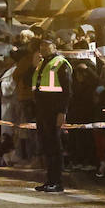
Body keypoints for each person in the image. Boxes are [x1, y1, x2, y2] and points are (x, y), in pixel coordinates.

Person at [32, 37, 72, 193]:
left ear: (54, 46)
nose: (43, 48)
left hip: (54, 110)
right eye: (42, 45)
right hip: (43, 110)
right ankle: (50, 180)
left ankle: (57, 181)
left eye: (47, 45)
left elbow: (67, 90)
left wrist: (62, 112)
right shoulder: (43, 63)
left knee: (55, 146)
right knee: (47, 146)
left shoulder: (61, 63)